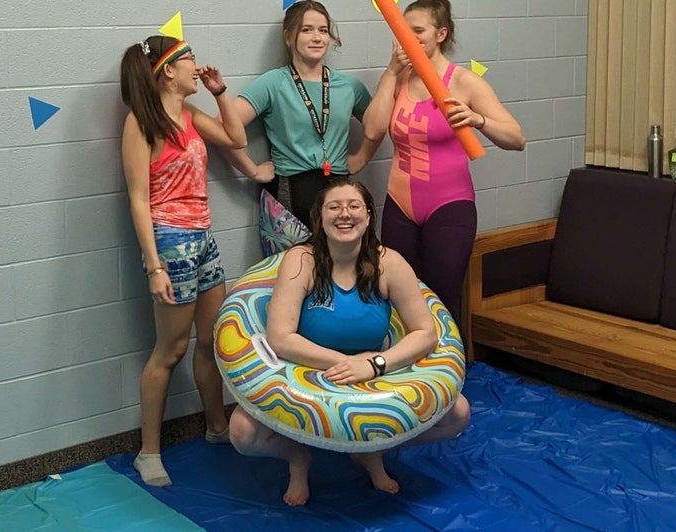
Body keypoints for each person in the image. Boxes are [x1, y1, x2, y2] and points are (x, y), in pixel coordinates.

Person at [228, 177, 471, 506]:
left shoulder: (389, 263)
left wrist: (373, 364)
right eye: (334, 207)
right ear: (320, 217)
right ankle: (298, 459)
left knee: (458, 413)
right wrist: (343, 364)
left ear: (369, 215)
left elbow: (425, 332)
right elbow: (280, 338)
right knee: (242, 432)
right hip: (308, 371)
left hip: (372, 369)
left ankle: (373, 451)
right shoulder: (302, 261)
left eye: (354, 206)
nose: (345, 214)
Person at [119, 35, 247, 487]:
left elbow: (237, 137)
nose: (198, 64)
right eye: (190, 58)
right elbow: (138, 201)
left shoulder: (190, 115)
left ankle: (216, 428)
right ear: (168, 70)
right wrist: (154, 266)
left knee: (211, 341)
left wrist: (220, 93)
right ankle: (148, 452)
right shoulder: (142, 123)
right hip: (170, 241)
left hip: (204, 236)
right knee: (169, 351)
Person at [364, 0, 525, 327]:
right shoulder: (398, 78)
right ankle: (408, 372)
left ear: (441, 33)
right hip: (400, 205)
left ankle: (449, 374)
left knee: (441, 297)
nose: (409, 37)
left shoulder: (463, 82)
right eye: (403, 30)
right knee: (398, 295)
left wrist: (478, 120)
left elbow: (516, 138)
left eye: (418, 31)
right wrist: (390, 74)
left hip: (450, 205)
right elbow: (371, 129)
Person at [224, 0, 380, 248]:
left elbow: (378, 124)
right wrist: (251, 169)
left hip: (340, 191)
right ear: (289, 37)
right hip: (290, 194)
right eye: (306, 30)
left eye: (323, 30)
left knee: (345, 272)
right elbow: (222, 128)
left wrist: (363, 156)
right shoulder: (273, 83)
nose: (317, 37)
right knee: (295, 275)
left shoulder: (349, 86)